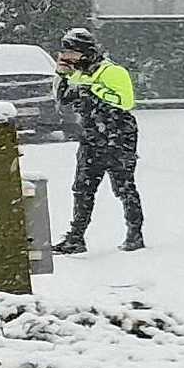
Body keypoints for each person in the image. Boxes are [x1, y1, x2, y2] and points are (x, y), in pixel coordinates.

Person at [51, 28, 144, 254]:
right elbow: (63, 99)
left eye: (72, 53)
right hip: (91, 137)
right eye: (65, 53)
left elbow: (125, 101)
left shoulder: (113, 72)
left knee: (123, 186)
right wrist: (61, 75)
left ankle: (135, 233)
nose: (68, 57)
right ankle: (76, 237)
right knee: (82, 188)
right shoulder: (78, 74)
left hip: (118, 136)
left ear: (86, 53)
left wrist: (91, 90)